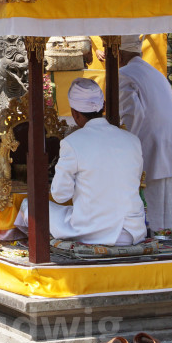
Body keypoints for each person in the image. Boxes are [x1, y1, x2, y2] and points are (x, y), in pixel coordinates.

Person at [14, 79, 147, 245]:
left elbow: (60, 195)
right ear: (103, 106)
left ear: (74, 113)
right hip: (131, 233)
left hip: (92, 233)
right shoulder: (132, 140)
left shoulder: (72, 143)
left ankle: (36, 246)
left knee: (30, 206)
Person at [117, 34, 172, 240]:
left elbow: (131, 118)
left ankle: (163, 259)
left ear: (118, 54)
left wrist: (121, 151)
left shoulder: (124, 75)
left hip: (154, 152)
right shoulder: (155, 73)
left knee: (157, 218)